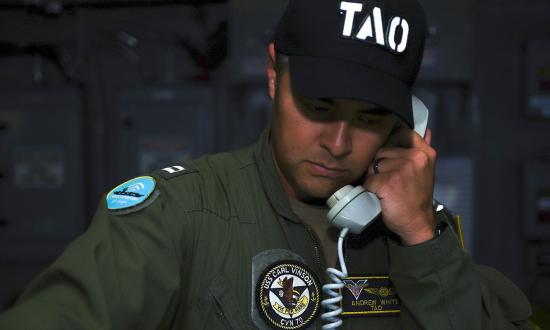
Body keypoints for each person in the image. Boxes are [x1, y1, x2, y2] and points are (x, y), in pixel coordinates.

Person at [0, 0, 534, 329]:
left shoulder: (419, 233)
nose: (339, 143)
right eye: (319, 108)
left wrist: (422, 241)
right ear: (275, 76)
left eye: (370, 118)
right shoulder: (177, 214)